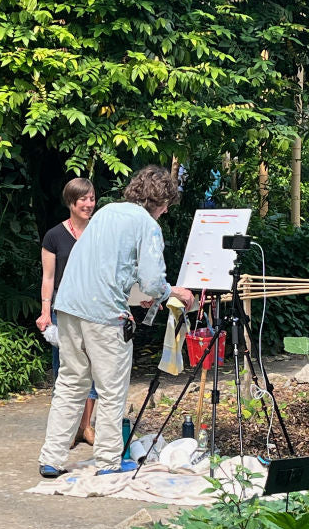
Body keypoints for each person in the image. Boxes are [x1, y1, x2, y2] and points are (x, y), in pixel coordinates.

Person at [37, 165, 195, 478]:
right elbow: (152, 282)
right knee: (111, 389)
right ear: (161, 203)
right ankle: (108, 461)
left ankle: (51, 459)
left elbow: (105, 266)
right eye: (166, 207)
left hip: (68, 306)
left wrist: (137, 291)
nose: (165, 213)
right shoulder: (147, 225)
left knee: (70, 384)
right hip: (104, 315)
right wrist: (175, 291)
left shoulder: (107, 211)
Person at [36, 178, 99, 446]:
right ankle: (67, 429)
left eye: (92, 198)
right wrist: (45, 311)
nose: (88, 204)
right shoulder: (54, 235)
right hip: (65, 308)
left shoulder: (100, 232)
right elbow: (48, 277)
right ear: (71, 202)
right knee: (65, 368)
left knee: (95, 367)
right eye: (83, 199)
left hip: (96, 307)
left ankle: (85, 427)